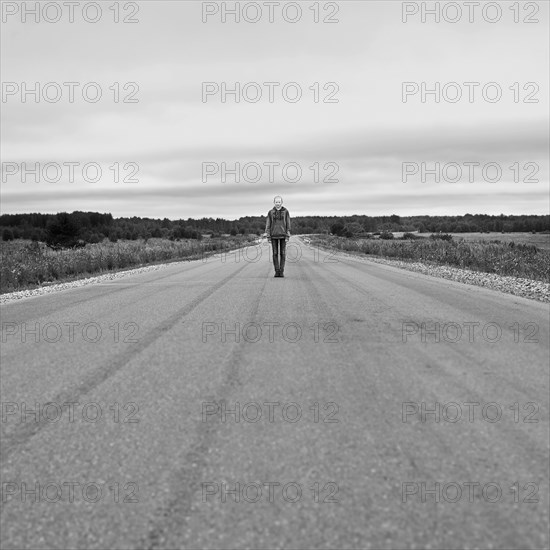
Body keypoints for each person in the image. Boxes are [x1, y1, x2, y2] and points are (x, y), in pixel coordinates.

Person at [264, 196, 290, 277]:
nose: (277, 203)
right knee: (275, 253)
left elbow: (288, 224)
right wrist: (268, 236)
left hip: (283, 235)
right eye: (276, 202)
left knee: (282, 253)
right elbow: (268, 224)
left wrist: (287, 235)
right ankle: (277, 271)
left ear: (281, 202)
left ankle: (281, 271)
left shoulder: (286, 212)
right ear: (274, 202)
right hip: (273, 236)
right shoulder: (270, 212)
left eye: (279, 202)